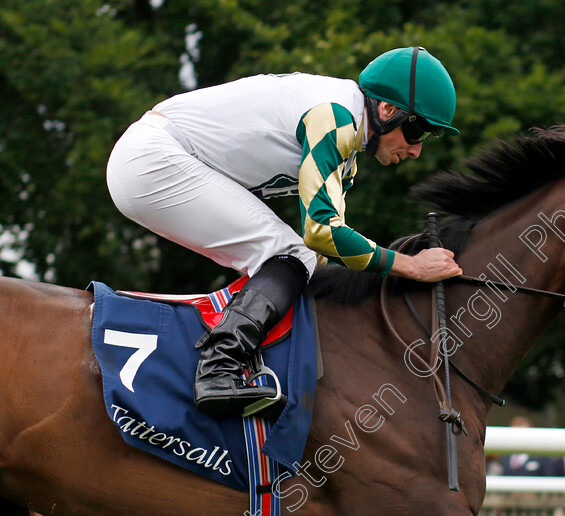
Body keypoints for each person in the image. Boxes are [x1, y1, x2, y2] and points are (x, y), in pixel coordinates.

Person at [106, 46, 463, 416]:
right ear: (387, 110)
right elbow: (321, 231)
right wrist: (410, 266)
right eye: (417, 129)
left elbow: (326, 254)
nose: (417, 149)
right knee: (292, 255)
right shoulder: (336, 116)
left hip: (156, 160)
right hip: (154, 158)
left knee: (300, 262)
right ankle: (218, 369)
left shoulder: (348, 152)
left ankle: (248, 357)